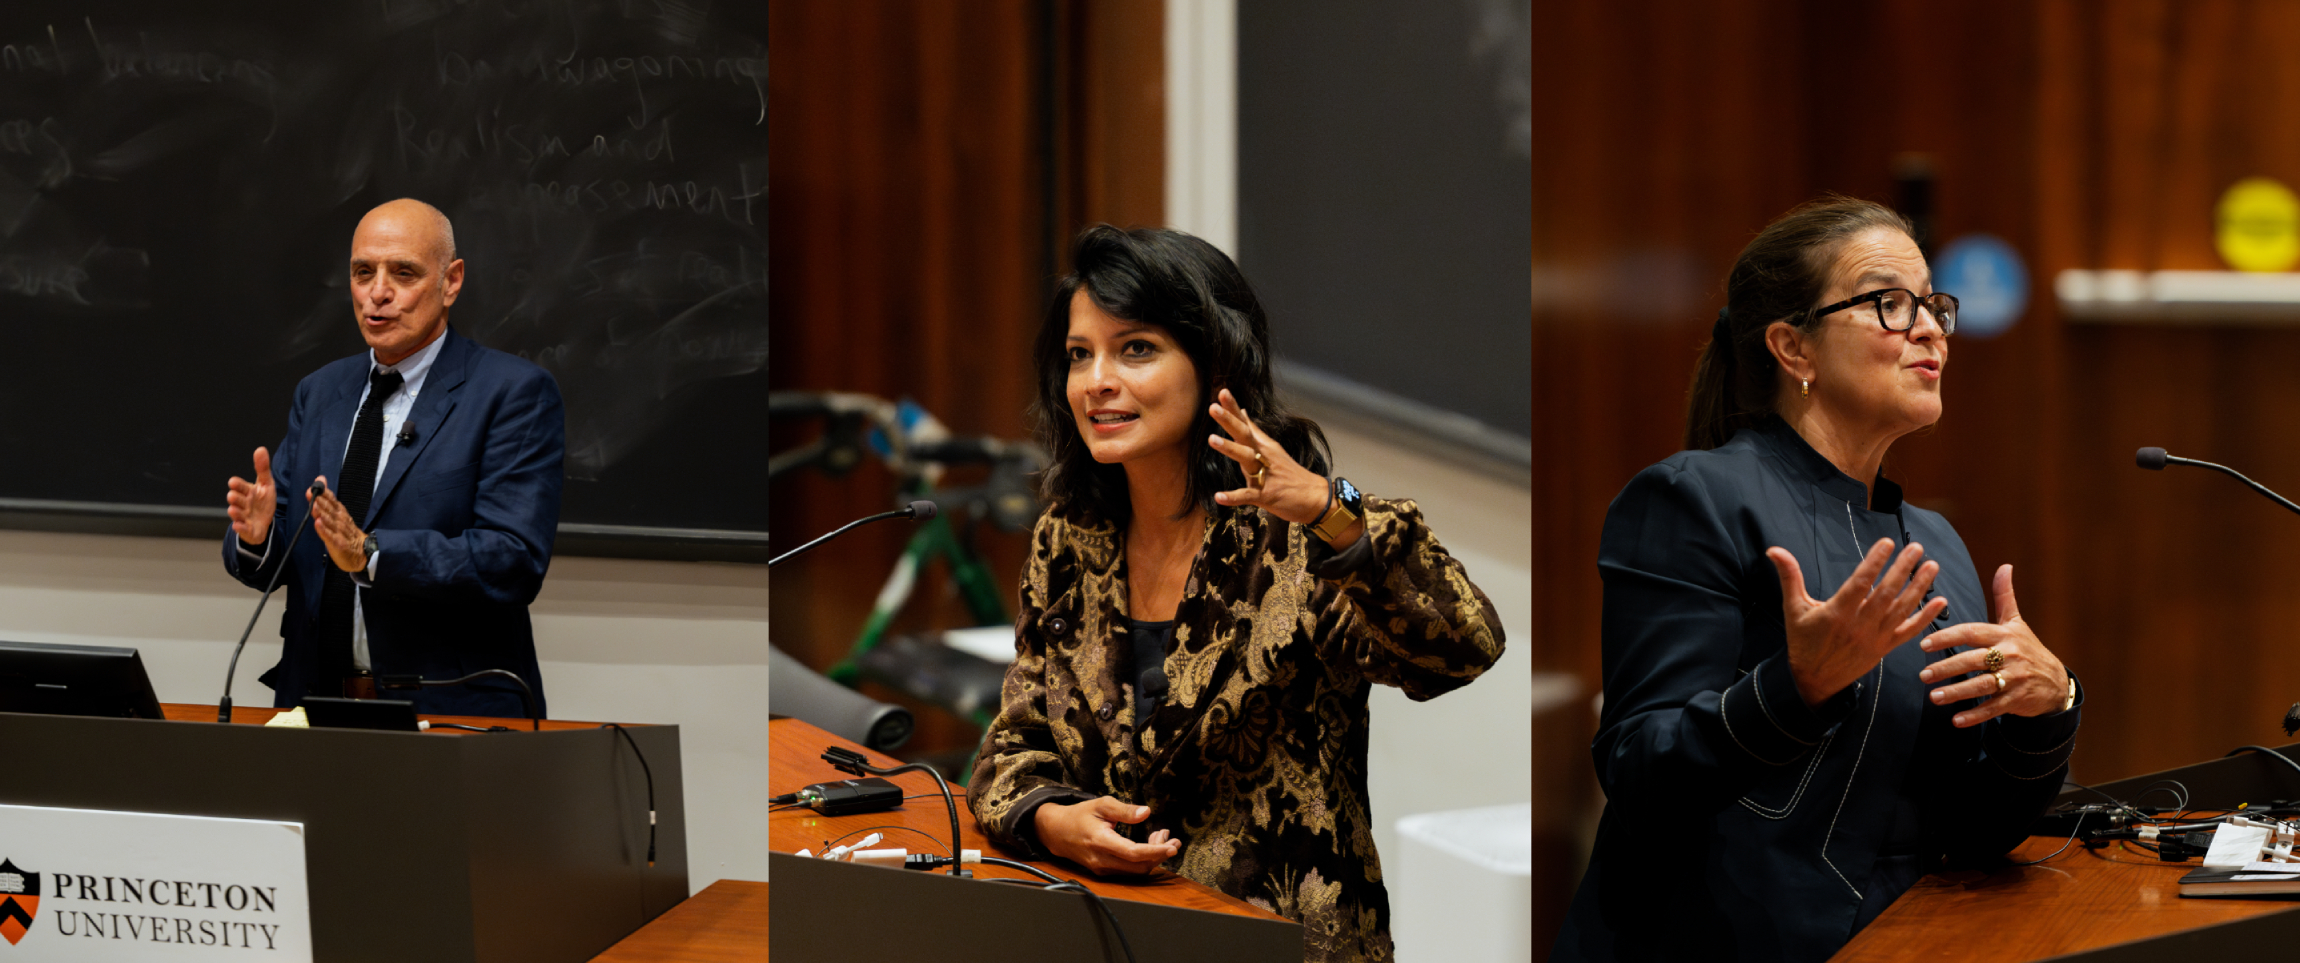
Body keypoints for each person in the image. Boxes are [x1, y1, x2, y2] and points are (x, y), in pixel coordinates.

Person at [1553, 196, 2083, 962]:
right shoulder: (1693, 498)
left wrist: (2048, 707)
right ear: (1792, 349)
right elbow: (1640, 770)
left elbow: (1972, 829)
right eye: (1889, 304)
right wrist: (1793, 691)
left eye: (1933, 304)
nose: (1931, 328)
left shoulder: (1933, 541)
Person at [967, 225, 1505, 963]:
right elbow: (1012, 744)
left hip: (1282, 947)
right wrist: (1052, 819)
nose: (1097, 381)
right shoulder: (1071, 537)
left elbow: (1462, 646)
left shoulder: (1298, 538)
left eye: (1136, 349)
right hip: (1110, 935)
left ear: (1212, 361)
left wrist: (1328, 508)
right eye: (1078, 355)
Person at [222, 198, 565, 718]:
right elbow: (287, 553)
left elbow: (511, 558)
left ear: (451, 281)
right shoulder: (321, 393)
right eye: (364, 273)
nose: (378, 293)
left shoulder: (511, 394)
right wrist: (258, 537)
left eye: (403, 273)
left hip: (452, 707)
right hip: (316, 703)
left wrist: (372, 554)